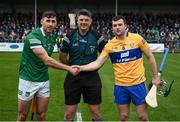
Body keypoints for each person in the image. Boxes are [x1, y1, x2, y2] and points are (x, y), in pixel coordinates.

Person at [75, 15, 161, 121]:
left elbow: (150, 56)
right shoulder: (109, 45)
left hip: (138, 84)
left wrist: (155, 77)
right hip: (120, 86)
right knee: (123, 117)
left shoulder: (137, 39)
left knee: (142, 117)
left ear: (125, 26)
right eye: (114, 25)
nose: (117, 27)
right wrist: (81, 68)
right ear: (112, 28)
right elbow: (97, 63)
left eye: (120, 25)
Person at [17, 10, 78, 121]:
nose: (50, 24)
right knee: (22, 115)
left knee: (41, 114)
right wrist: (69, 68)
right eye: (48, 21)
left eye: (53, 21)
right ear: (42, 22)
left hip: (43, 80)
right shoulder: (33, 36)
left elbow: (63, 42)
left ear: (56, 23)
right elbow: (47, 60)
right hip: (28, 79)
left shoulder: (53, 37)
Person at [59, 9, 107, 121]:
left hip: (92, 77)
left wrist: (96, 66)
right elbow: (62, 56)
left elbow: (104, 54)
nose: (83, 22)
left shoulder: (97, 36)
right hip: (73, 77)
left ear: (90, 21)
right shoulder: (69, 36)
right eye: (81, 20)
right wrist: (70, 67)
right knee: (69, 114)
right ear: (77, 21)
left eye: (86, 20)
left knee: (96, 112)